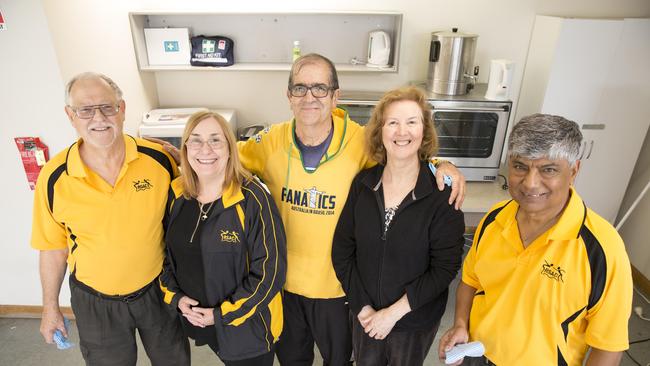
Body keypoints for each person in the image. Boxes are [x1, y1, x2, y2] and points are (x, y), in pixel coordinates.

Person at [236, 53, 467, 365]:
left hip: (337, 291)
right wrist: (181, 153)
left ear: (335, 97)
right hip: (284, 285)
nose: (310, 97)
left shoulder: (359, 142)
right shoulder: (269, 141)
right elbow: (221, 156)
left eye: (320, 88)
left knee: (340, 360)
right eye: (300, 88)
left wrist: (440, 164)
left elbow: (403, 154)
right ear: (288, 95)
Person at [437, 114, 633, 365]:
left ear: (573, 172)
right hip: (477, 354)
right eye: (520, 166)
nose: (530, 183)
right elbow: (470, 281)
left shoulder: (603, 248)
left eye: (548, 169)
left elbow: (608, 347)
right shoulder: (494, 219)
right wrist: (460, 325)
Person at [31, 72, 190, 365]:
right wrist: (49, 308)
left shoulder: (159, 160)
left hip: (158, 290)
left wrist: (188, 159)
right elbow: (53, 248)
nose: (98, 118)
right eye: (85, 110)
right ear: (70, 115)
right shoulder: (54, 177)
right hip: (95, 302)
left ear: (122, 109)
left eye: (107, 107)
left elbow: (187, 219)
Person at [332, 86, 465, 366]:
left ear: (424, 131)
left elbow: (444, 268)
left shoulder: (442, 193)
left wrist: (392, 314)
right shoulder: (364, 184)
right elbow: (342, 250)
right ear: (380, 131)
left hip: (413, 321)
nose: (402, 132)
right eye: (392, 122)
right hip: (366, 316)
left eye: (411, 122)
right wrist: (363, 306)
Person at [159, 111, 287, 365]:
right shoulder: (177, 194)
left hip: (248, 329)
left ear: (230, 148)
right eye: (195, 140)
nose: (205, 149)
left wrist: (220, 315)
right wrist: (175, 297)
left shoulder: (252, 199)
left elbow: (271, 273)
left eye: (215, 140)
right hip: (201, 321)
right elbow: (165, 256)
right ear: (185, 148)